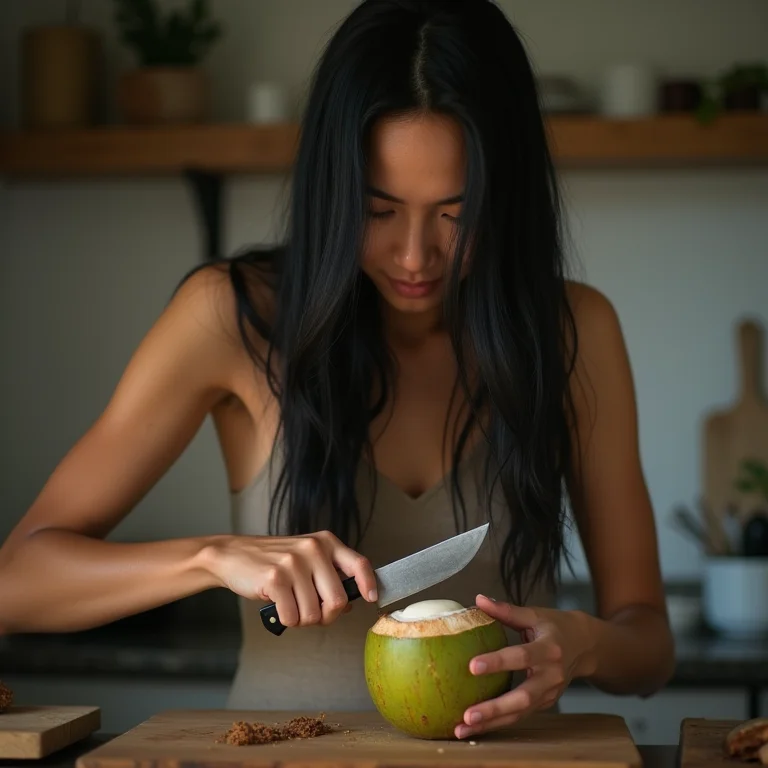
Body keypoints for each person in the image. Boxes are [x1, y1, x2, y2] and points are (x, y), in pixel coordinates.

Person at [0, 0, 674, 740]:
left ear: (507, 198)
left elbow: (647, 647)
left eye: (456, 213)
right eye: (377, 209)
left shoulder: (574, 330)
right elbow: (16, 584)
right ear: (331, 188)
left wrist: (584, 647)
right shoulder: (231, 317)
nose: (415, 256)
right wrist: (210, 558)